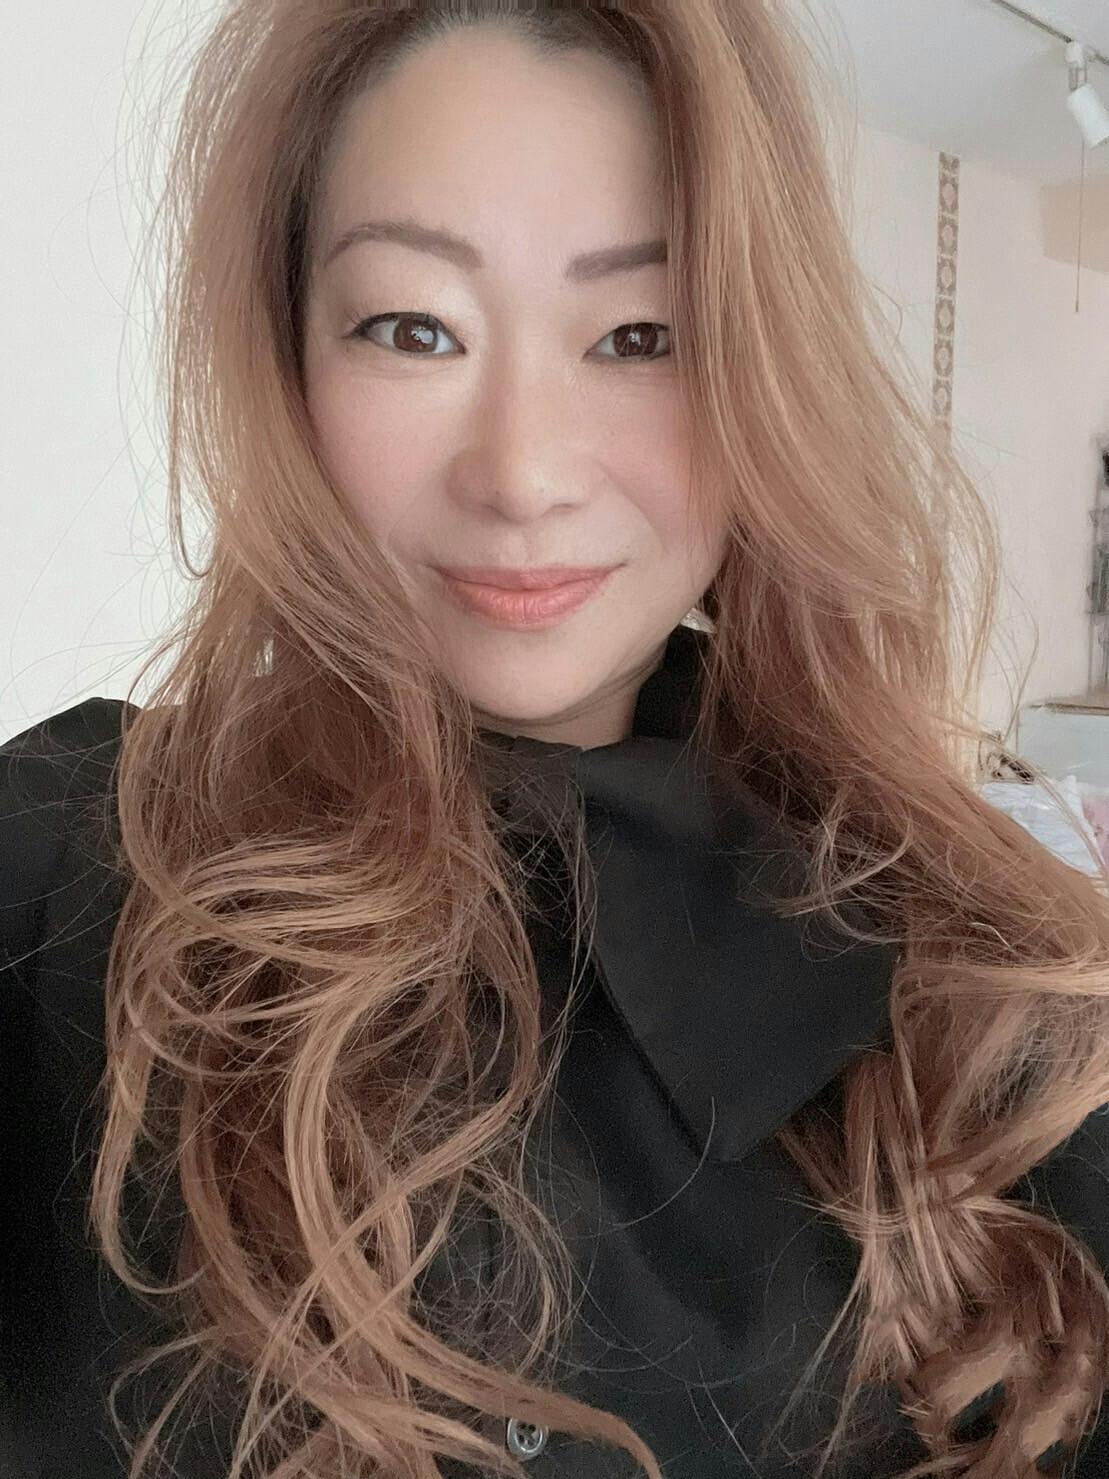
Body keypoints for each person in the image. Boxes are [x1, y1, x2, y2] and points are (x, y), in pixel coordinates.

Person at [3, 3, 1109, 1477]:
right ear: (289, 361)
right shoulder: (63, 870)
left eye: (639, 336)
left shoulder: (993, 1003)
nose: (522, 473)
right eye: (413, 329)